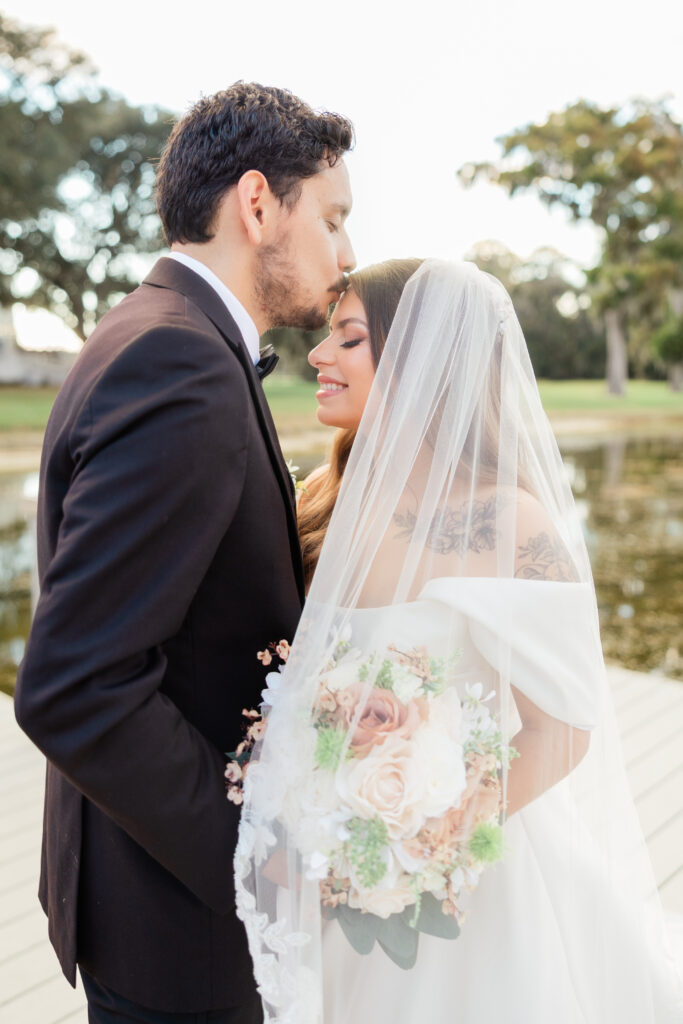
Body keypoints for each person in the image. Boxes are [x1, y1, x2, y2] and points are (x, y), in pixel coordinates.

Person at [234, 259, 683, 1022]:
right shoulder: (315, 501)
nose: (316, 355)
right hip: (320, 876)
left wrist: (422, 843)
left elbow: (562, 726)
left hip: (466, 882)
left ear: (421, 366)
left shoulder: (510, 522)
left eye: (349, 339)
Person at [14, 82, 355, 1023]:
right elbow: (76, 684)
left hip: (145, 904)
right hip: (183, 926)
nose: (347, 254)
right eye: (331, 219)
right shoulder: (181, 364)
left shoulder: (153, 334)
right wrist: (259, 864)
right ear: (257, 204)